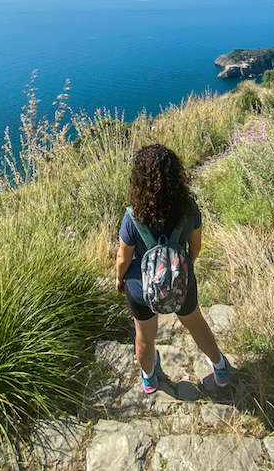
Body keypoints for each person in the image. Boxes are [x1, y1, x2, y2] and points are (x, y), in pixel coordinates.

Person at [116, 143, 229, 394]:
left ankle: (149, 379)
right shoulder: (189, 208)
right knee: (196, 323)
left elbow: (123, 259)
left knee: (144, 336)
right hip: (182, 280)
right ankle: (220, 369)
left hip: (140, 287)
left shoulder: (133, 216)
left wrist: (119, 279)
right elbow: (195, 247)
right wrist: (184, 270)